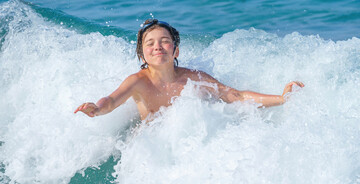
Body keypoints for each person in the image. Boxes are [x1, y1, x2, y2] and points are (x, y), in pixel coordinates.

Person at [74, 19, 304, 120]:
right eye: (150, 43)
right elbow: (112, 101)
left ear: (175, 51)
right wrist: (96, 109)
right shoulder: (137, 81)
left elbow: (236, 95)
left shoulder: (193, 78)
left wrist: (282, 98)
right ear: (142, 55)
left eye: (164, 41)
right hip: (149, 148)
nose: (157, 47)